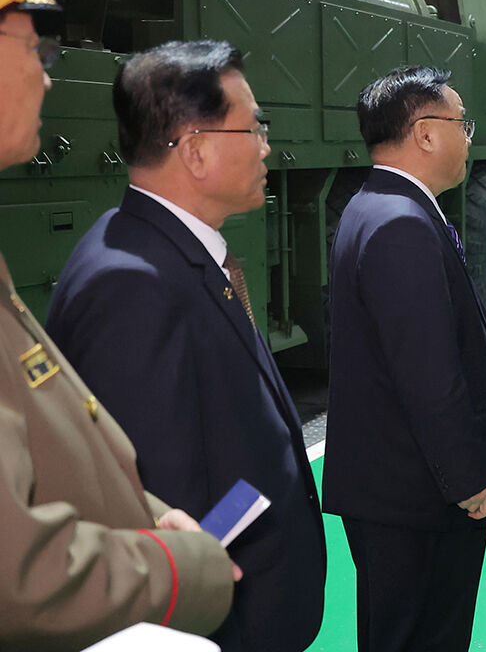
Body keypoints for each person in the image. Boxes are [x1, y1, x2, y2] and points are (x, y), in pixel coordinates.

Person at [44, 40, 325, 652]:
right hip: (219, 623)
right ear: (195, 150)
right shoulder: (132, 285)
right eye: (253, 128)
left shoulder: (165, 251)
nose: (266, 147)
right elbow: (155, 499)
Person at [0, 0, 235, 650]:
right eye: (34, 48)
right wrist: (182, 568)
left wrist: (144, 514)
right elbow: (20, 578)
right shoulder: (130, 275)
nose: (47, 76)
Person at [324, 66, 486, 652]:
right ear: (426, 133)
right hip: (419, 494)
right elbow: (428, 374)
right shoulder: (402, 222)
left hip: (394, 486)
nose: (468, 138)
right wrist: (467, 477)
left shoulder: (373, 206)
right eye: (461, 123)